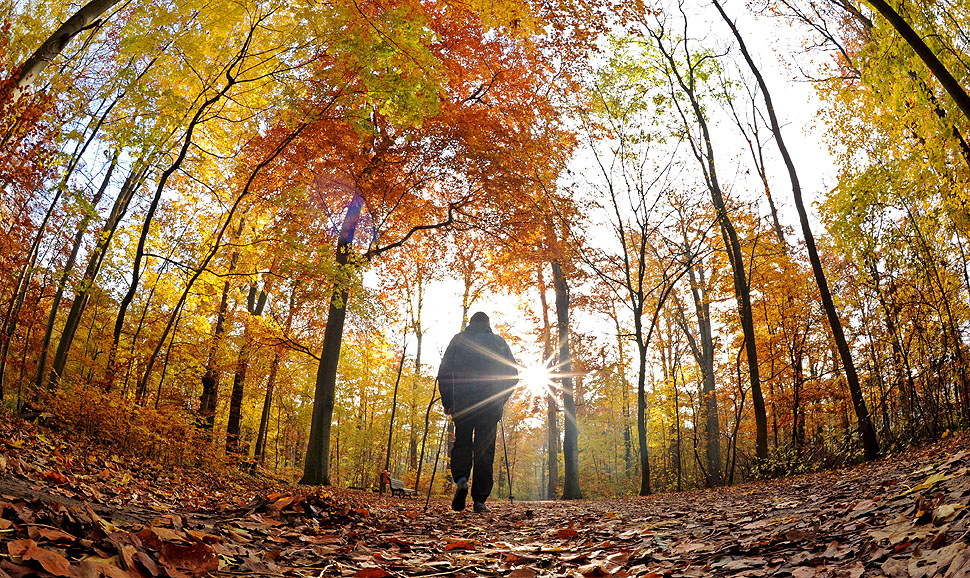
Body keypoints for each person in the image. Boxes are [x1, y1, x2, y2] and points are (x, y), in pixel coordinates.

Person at [437, 312, 518, 513]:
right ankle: (480, 500)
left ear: (470, 324)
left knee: (462, 442)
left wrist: (448, 401)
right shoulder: (499, 342)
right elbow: (513, 375)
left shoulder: (458, 340)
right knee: (485, 450)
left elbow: (444, 373)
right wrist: (501, 399)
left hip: (463, 404)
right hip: (490, 406)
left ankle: (462, 481)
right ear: (488, 324)